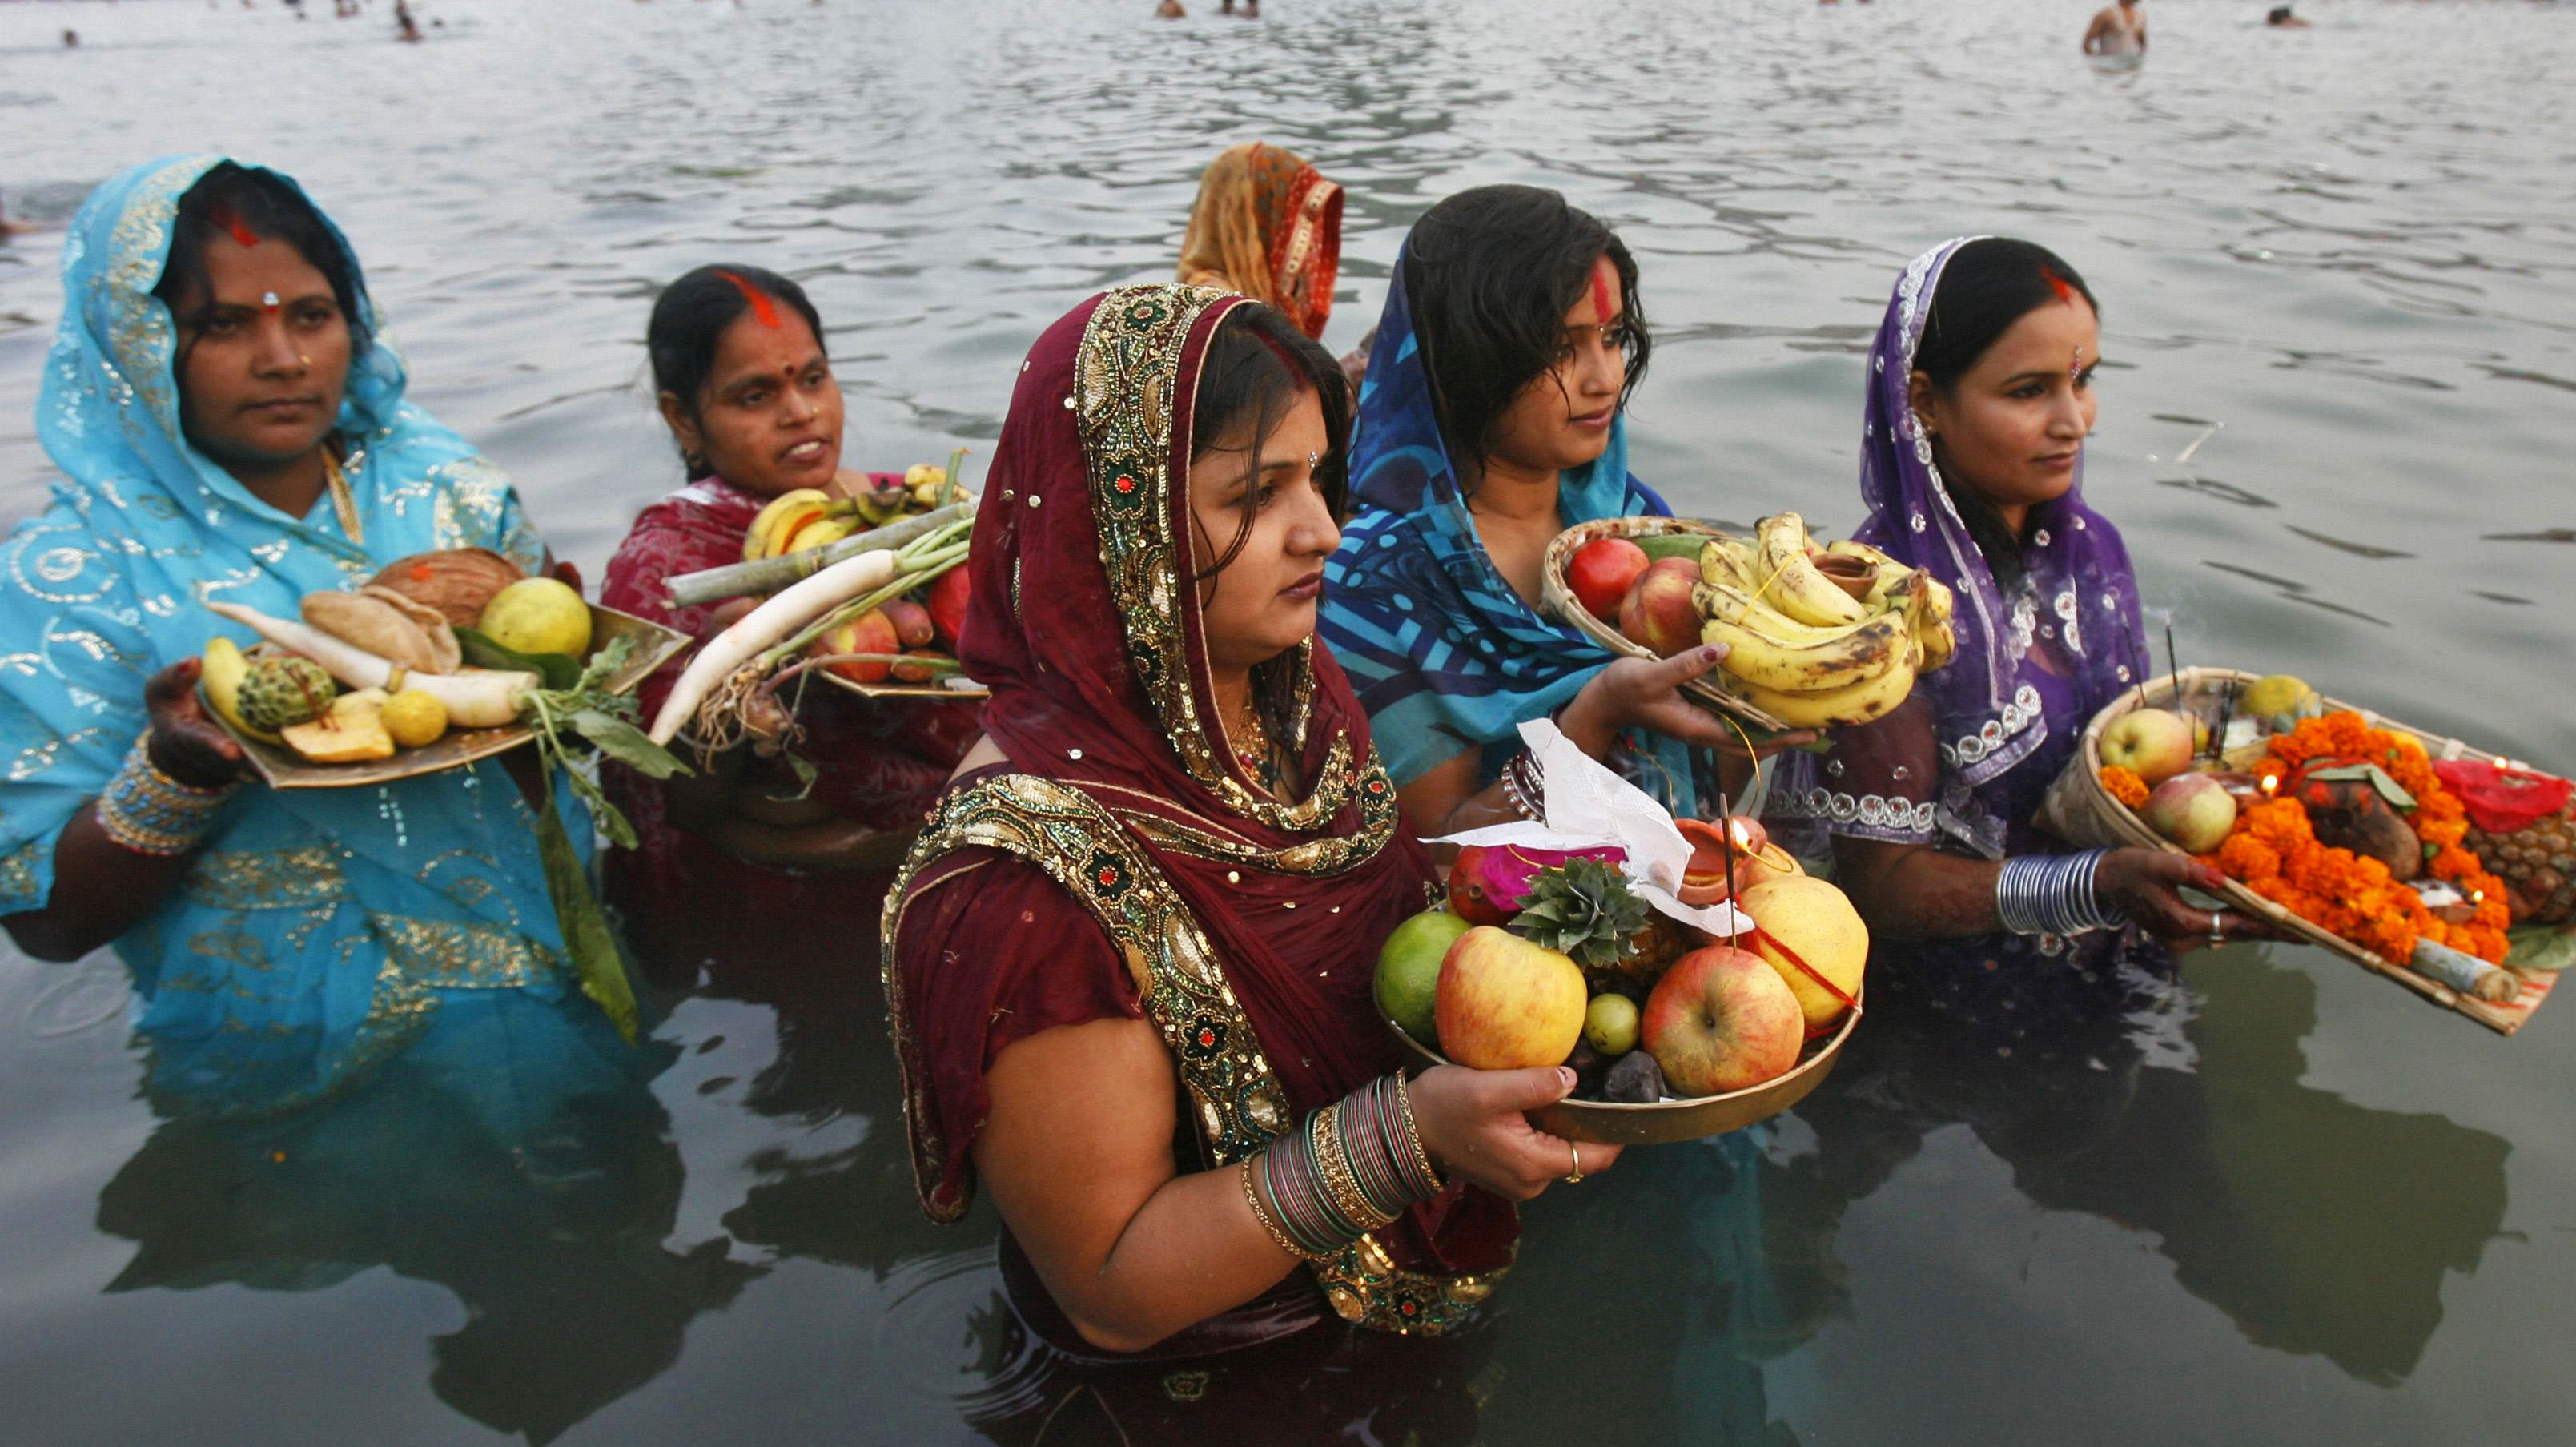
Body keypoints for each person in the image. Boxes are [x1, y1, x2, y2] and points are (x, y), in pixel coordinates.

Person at [886, 283, 1607, 1368]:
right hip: (1205, 1381)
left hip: (1389, 1311)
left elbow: (1405, 916)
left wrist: (1590, 755)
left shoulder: (1286, 692)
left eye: (1317, 479)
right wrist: (1410, 1136)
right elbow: (1113, 1289)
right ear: (1119, 528)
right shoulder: (1027, 880)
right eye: (1254, 495)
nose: (1323, 529)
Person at [0, 155, 608, 1115]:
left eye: (311, 316)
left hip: (548, 995)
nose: (283, 358)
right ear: (136, 344)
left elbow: (556, 776)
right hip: (280, 1060)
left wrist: (565, 691)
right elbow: (47, 921)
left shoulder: (447, 492)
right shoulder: (72, 575)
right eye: (222, 324)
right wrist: (175, 773)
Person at [1761, 238, 2273, 1043]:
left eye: (2084, 380)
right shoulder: (1875, 613)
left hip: (2113, 962)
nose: (2072, 422)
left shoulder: (2090, 550)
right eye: (2029, 391)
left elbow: (2123, 768)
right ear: (1923, 399)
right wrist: (2094, 885)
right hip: (1946, 1023)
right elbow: (1879, 891)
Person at [1320, 186, 1786, 838]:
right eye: (1561, 348)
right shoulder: (1372, 580)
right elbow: (1437, 856)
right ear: (1466, 359)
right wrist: (1594, 715)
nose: (1604, 378)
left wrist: (1759, 720)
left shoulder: (1632, 522)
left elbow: (1703, 792)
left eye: (1614, 336)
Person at [598, 265, 977, 909]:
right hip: (777, 903)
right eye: (755, 396)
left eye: (813, 378)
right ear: (682, 419)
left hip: (947, 864)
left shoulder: (906, 509)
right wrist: (730, 695)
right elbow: (676, 800)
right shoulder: (667, 567)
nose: (802, 413)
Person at [1175, 141, 1346, 351]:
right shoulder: (1220, 313)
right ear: (1258, 220)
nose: (1309, 244)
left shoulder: (1250, 294)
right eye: (1296, 218)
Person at [2083, 0, 2148, 56]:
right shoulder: (2106, 15)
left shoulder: (2140, 16)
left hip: (2131, 66)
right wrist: (2097, 63)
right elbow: (2087, 43)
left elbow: (2143, 46)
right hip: (2108, 66)